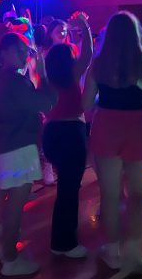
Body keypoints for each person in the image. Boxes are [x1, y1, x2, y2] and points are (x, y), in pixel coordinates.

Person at [83, 11, 142, 274]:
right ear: (136, 34)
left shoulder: (98, 63)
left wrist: (106, 98)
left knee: (109, 195)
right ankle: (134, 254)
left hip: (107, 125)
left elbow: (86, 106)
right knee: (138, 195)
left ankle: (113, 252)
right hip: (139, 126)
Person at [0, 33, 56, 276]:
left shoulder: (0, 77)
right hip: (18, 148)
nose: (25, 56)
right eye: (20, 51)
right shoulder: (12, 79)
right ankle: (11, 259)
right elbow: (46, 102)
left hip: (6, 146)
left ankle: (6, 251)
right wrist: (43, 75)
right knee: (15, 206)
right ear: (6, 53)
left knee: (11, 203)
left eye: (26, 52)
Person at [42, 15, 92, 258]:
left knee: (66, 187)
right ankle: (64, 243)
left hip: (51, 133)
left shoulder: (46, 79)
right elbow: (88, 54)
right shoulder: (73, 74)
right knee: (69, 189)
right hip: (71, 132)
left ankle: (62, 239)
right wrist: (84, 26)